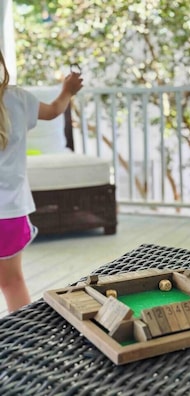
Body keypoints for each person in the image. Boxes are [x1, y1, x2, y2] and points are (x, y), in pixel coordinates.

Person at [0, 50, 83, 312]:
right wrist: (67, 90)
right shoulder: (17, 98)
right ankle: (22, 344)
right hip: (10, 213)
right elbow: (54, 110)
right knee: (13, 283)